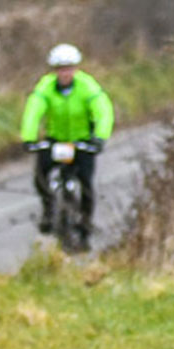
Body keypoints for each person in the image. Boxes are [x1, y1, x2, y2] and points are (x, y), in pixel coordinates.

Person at [21, 44, 114, 246]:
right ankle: (48, 210)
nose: (65, 73)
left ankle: (85, 224)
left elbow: (103, 110)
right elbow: (33, 110)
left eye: (69, 68)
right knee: (40, 177)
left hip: (82, 141)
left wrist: (100, 137)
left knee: (86, 185)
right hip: (56, 140)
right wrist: (28, 137)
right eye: (61, 69)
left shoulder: (87, 86)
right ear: (54, 70)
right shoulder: (45, 87)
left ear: (76, 68)